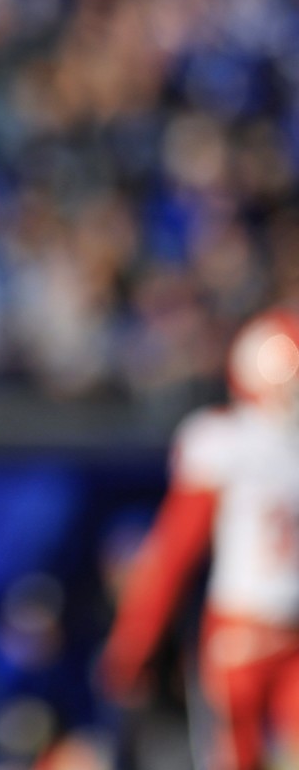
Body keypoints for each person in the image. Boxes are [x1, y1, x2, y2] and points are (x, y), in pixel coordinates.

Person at [100, 307, 299, 770]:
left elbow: (172, 556)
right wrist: (135, 642)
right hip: (252, 631)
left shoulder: (224, 440)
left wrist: (133, 645)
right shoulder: (226, 444)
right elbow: (175, 552)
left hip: (242, 632)